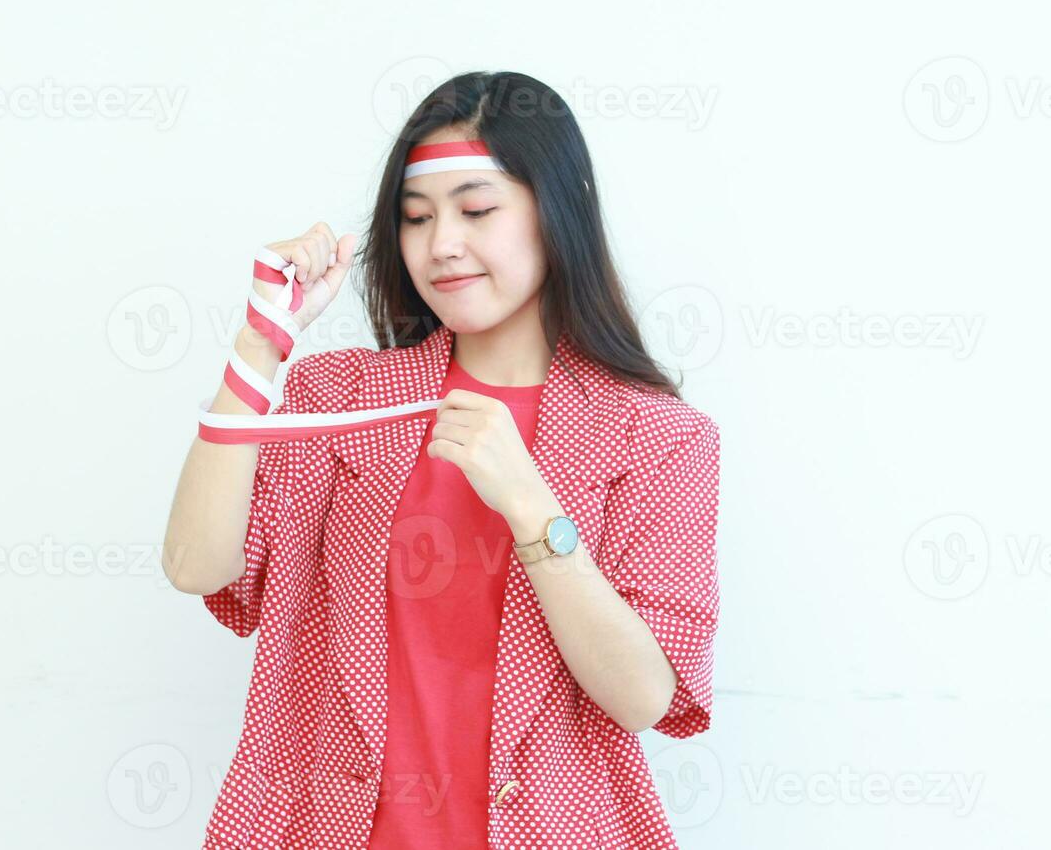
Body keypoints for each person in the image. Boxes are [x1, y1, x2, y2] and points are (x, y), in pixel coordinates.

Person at [163, 71, 720, 849]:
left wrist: (530, 505)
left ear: (556, 214)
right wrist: (259, 351)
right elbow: (197, 566)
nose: (441, 245)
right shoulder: (343, 396)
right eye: (416, 218)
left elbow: (642, 697)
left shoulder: (659, 436)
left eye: (477, 210)